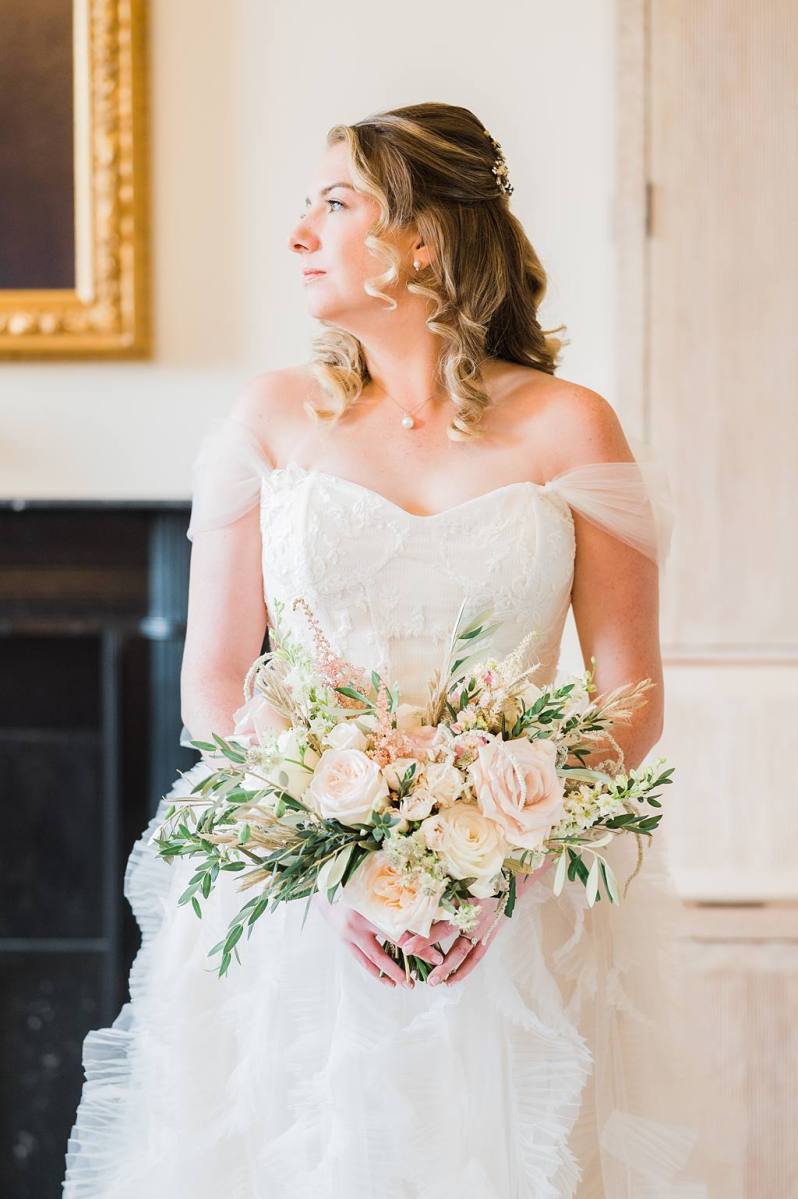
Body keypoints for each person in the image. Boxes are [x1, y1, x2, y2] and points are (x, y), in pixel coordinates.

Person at [62, 102, 736, 1197]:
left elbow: (632, 696)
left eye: (333, 203)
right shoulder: (270, 418)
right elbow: (215, 684)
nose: (299, 234)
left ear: (421, 237)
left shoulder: (573, 426)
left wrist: (492, 861)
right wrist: (343, 867)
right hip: (297, 909)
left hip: (521, 915)